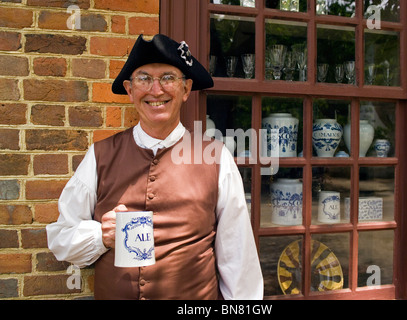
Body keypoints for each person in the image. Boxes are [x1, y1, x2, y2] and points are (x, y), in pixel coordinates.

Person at [46, 34, 264, 300]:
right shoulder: (99, 156)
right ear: (130, 90)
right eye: (144, 78)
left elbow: (238, 257)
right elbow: (61, 239)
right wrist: (101, 236)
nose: (156, 89)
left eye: (168, 78)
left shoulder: (216, 158)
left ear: (186, 90)